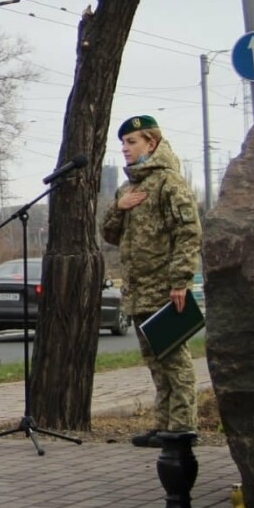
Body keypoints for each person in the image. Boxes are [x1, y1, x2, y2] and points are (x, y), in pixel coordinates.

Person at [101, 115, 202, 448]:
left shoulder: (168, 183)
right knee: (155, 362)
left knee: (174, 358)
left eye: (132, 142)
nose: (125, 149)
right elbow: (109, 234)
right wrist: (119, 206)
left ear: (152, 143)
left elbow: (188, 232)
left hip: (164, 288)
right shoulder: (129, 188)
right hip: (138, 289)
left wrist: (180, 280)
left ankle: (184, 424)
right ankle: (165, 425)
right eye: (124, 143)